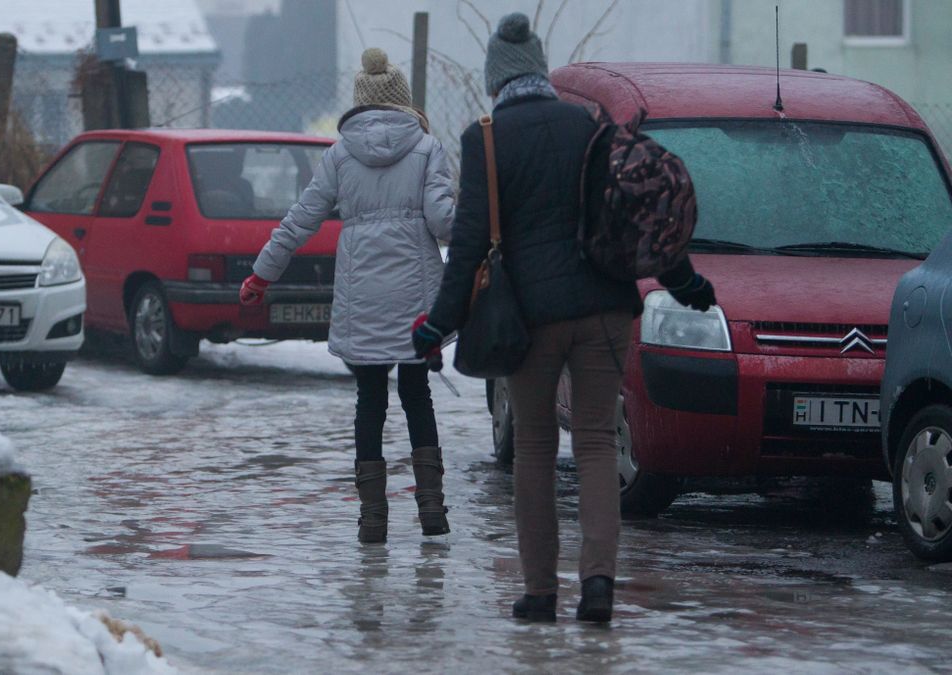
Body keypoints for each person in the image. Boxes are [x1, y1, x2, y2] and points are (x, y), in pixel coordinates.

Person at [413, 13, 715, 623]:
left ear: (496, 77)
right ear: (539, 69)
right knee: (599, 443)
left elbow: (468, 246)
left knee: (535, 449)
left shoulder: (486, 139)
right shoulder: (587, 125)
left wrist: (436, 326)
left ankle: (540, 592)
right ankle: (599, 585)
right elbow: (633, 215)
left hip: (532, 322)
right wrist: (688, 285)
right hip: (606, 310)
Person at [240, 48, 456, 544]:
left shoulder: (338, 155)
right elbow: (444, 222)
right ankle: (431, 511)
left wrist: (261, 274)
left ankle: (373, 519)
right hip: (415, 297)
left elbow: (300, 220)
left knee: (369, 400)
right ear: (403, 100)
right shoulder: (427, 148)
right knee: (417, 394)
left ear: (360, 103)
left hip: (362, 297)